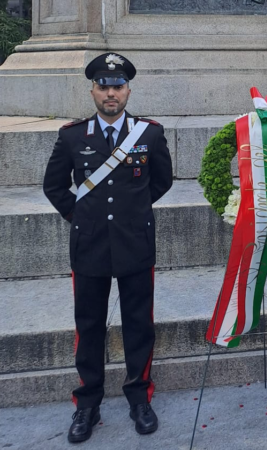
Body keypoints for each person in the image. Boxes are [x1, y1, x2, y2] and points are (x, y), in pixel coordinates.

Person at [42, 53, 173, 443]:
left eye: (117, 86)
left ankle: (139, 397)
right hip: (90, 245)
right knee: (89, 327)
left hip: (135, 244)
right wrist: (81, 218)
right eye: (104, 86)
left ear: (128, 90)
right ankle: (87, 404)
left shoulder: (149, 134)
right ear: (93, 91)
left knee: (138, 324)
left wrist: (133, 213)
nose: (111, 93)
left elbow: (161, 181)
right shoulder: (72, 136)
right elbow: (53, 186)